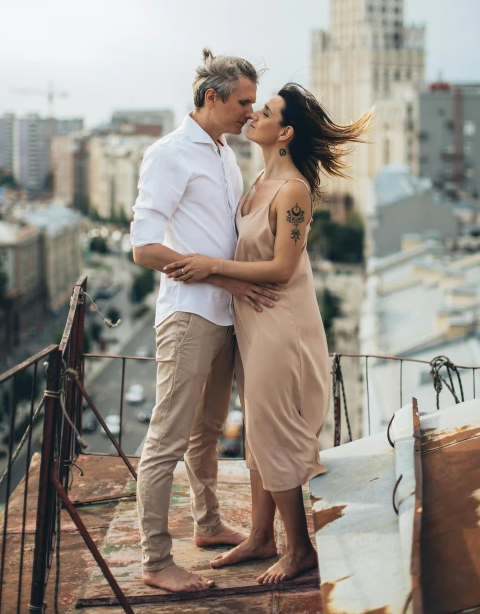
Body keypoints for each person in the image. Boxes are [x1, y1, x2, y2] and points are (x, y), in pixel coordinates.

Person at [164, 84, 372, 584]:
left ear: (286, 132)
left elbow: (282, 268)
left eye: (266, 111)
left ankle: (299, 549)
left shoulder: (292, 190)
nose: (253, 114)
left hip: (283, 327)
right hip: (252, 324)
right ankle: (261, 538)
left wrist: (213, 266)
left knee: (275, 435)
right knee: (258, 435)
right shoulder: (257, 180)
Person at [130, 48, 280, 593]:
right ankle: (153, 561)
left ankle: (208, 523)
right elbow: (143, 249)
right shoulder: (169, 153)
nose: (250, 111)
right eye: (243, 101)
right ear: (211, 97)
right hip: (190, 316)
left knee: (208, 432)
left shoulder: (223, 153)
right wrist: (225, 279)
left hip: (226, 316)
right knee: (166, 440)